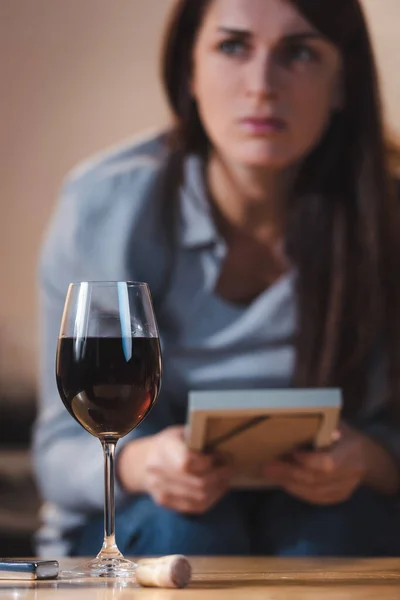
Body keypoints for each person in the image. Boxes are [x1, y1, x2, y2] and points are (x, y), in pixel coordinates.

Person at [34, 0, 400, 558]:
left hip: (332, 522)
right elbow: (58, 452)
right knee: (184, 532)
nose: (262, 85)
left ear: (343, 83)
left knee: (334, 531)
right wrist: (140, 462)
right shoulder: (105, 204)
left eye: (298, 52)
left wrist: (373, 462)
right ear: (190, 72)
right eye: (233, 47)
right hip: (146, 523)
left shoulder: (387, 219)